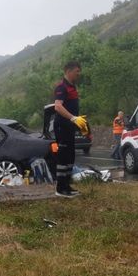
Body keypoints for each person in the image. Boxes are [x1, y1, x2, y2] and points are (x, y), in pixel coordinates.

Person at [53, 61, 89, 198]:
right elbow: (58, 106)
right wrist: (73, 118)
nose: (78, 74)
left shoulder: (72, 86)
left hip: (69, 127)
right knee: (63, 157)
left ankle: (66, 185)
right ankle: (60, 189)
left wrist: (80, 123)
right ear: (69, 71)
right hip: (62, 126)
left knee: (70, 157)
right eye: (77, 71)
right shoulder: (61, 87)